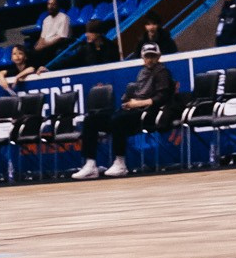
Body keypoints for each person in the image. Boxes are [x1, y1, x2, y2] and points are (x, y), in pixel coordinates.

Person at [73, 41, 180, 178]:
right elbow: (137, 95)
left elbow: (162, 97)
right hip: (134, 111)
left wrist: (138, 104)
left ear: (158, 57)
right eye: (147, 56)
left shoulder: (162, 72)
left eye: (153, 56)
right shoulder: (142, 72)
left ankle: (120, 163)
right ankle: (90, 164)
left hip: (149, 113)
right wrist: (128, 103)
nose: (150, 59)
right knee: (91, 120)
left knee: (118, 120)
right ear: (143, 57)